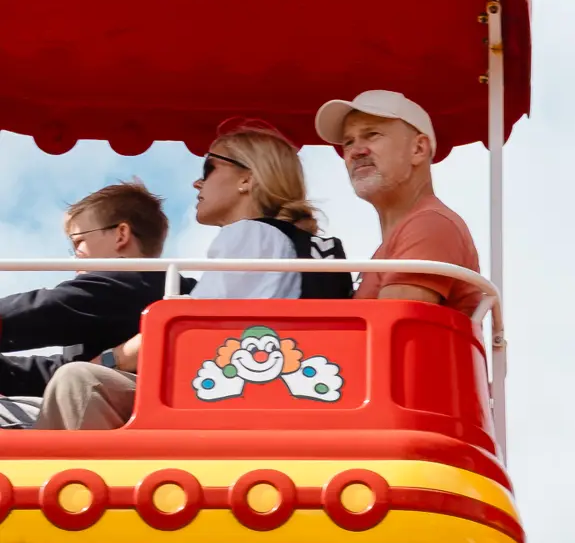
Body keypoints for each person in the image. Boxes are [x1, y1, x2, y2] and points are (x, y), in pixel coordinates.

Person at [38, 122, 340, 431]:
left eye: (209, 168)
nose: (197, 183)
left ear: (246, 179)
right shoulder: (302, 245)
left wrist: (110, 360)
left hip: (232, 399)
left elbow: (189, 332)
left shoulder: (250, 234)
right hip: (284, 392)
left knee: (77, 382)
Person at [0, 181, 171, 428]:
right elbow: (57, 370)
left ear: (121, 235)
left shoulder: (136, 282)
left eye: (79, 242)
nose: (74, 257)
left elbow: (44, 310)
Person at [314, 89, 480, 309]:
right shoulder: (404, 236)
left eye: (372, 134)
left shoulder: (429, 225)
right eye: (348, 142)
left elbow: (393, 335)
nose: (356, 151)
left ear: (418, 149)